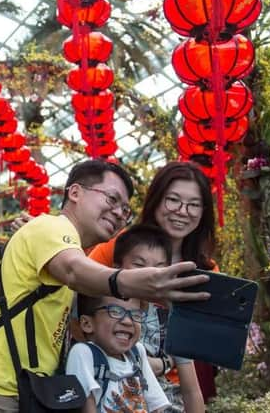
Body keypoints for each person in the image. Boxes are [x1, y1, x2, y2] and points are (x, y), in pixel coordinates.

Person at [0, 159, 210, 412]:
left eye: (125, 209)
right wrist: (134, 282)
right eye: (112, 199)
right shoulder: (51, 227)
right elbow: (75, 270)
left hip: (26, 392)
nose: (119, 213)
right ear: (75, 192)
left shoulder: (71, 245)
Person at [89, 161, 217, 412]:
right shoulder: (114, 248)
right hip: (111, 383)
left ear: (204, 212)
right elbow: (80, 305)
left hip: (175, 394)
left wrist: (162, 364)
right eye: (173, 200)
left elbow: (204, 348)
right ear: (156, 200)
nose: (182, 211)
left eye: (193, 205)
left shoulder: (207, 273)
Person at [66, 224, 173, 413]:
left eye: (135, 314)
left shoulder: (136, 353)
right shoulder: (84, 354)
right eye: (115, 312)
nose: (127, 321)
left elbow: (157, 405)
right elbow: (86, 405)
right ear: (87, 323)